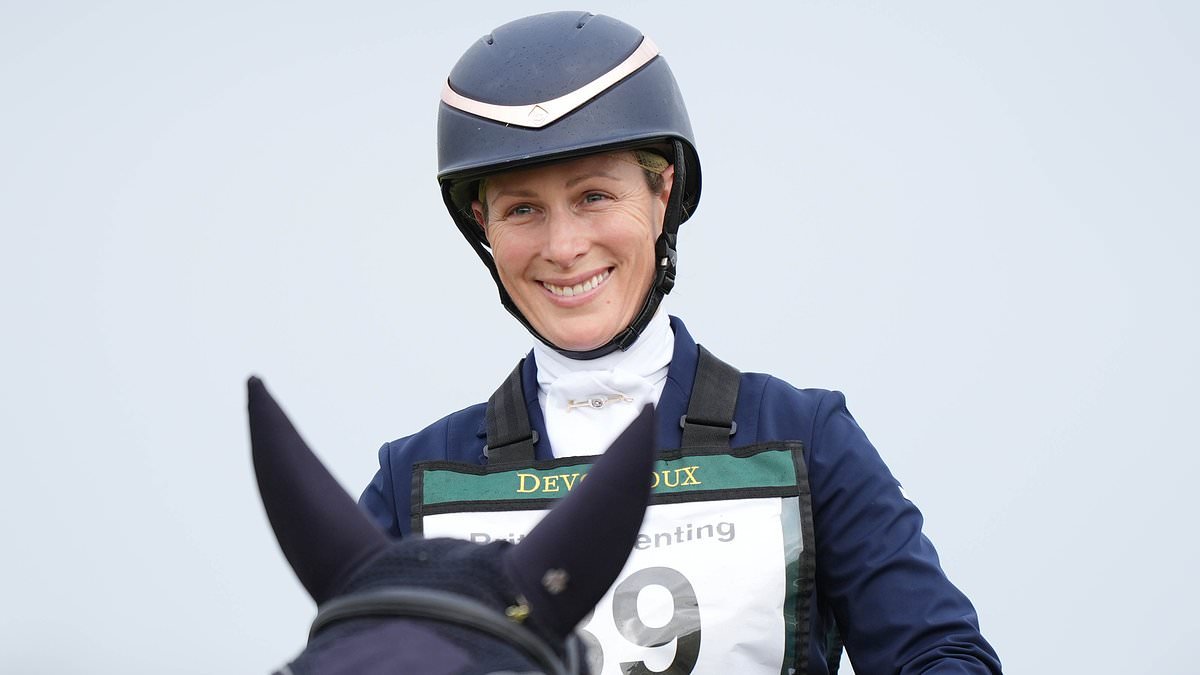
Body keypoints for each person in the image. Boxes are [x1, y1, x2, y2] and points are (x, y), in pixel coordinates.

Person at [360, 11, 1001, 674]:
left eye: (594, 196)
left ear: (662, 193)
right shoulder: (415, 482)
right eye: (522, 209)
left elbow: (942, 655)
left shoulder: (805, 439)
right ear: (483, 225)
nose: (564, 246)